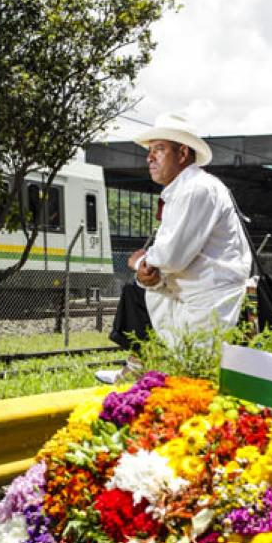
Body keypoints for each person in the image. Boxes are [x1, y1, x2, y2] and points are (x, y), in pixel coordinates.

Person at [96, 112, 252, 383]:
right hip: (192, 296)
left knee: (199, 378)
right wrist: (149, 268)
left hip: (206, 302)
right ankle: (136, 370)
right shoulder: (185, 190)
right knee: (137, 293)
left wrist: (140, 263)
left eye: (159, 149)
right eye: (150, 150)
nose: (149, 157)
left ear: (182, 153)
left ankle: (135, 372)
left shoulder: (195, 190)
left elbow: (170, 257)